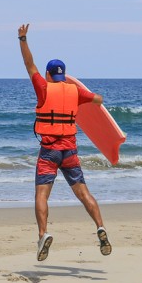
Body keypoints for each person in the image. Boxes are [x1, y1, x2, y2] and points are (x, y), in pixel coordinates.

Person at [17, 23, 112, 261]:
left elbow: (29, 65)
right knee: (83, 193)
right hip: (70, 151)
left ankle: (42, 235)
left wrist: (23, 39)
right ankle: (100, 227)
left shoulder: (42, 87)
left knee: (41, 195)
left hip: (49, 152)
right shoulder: (74, 92)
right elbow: (98, 100)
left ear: (49, 75)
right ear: (64, 75)